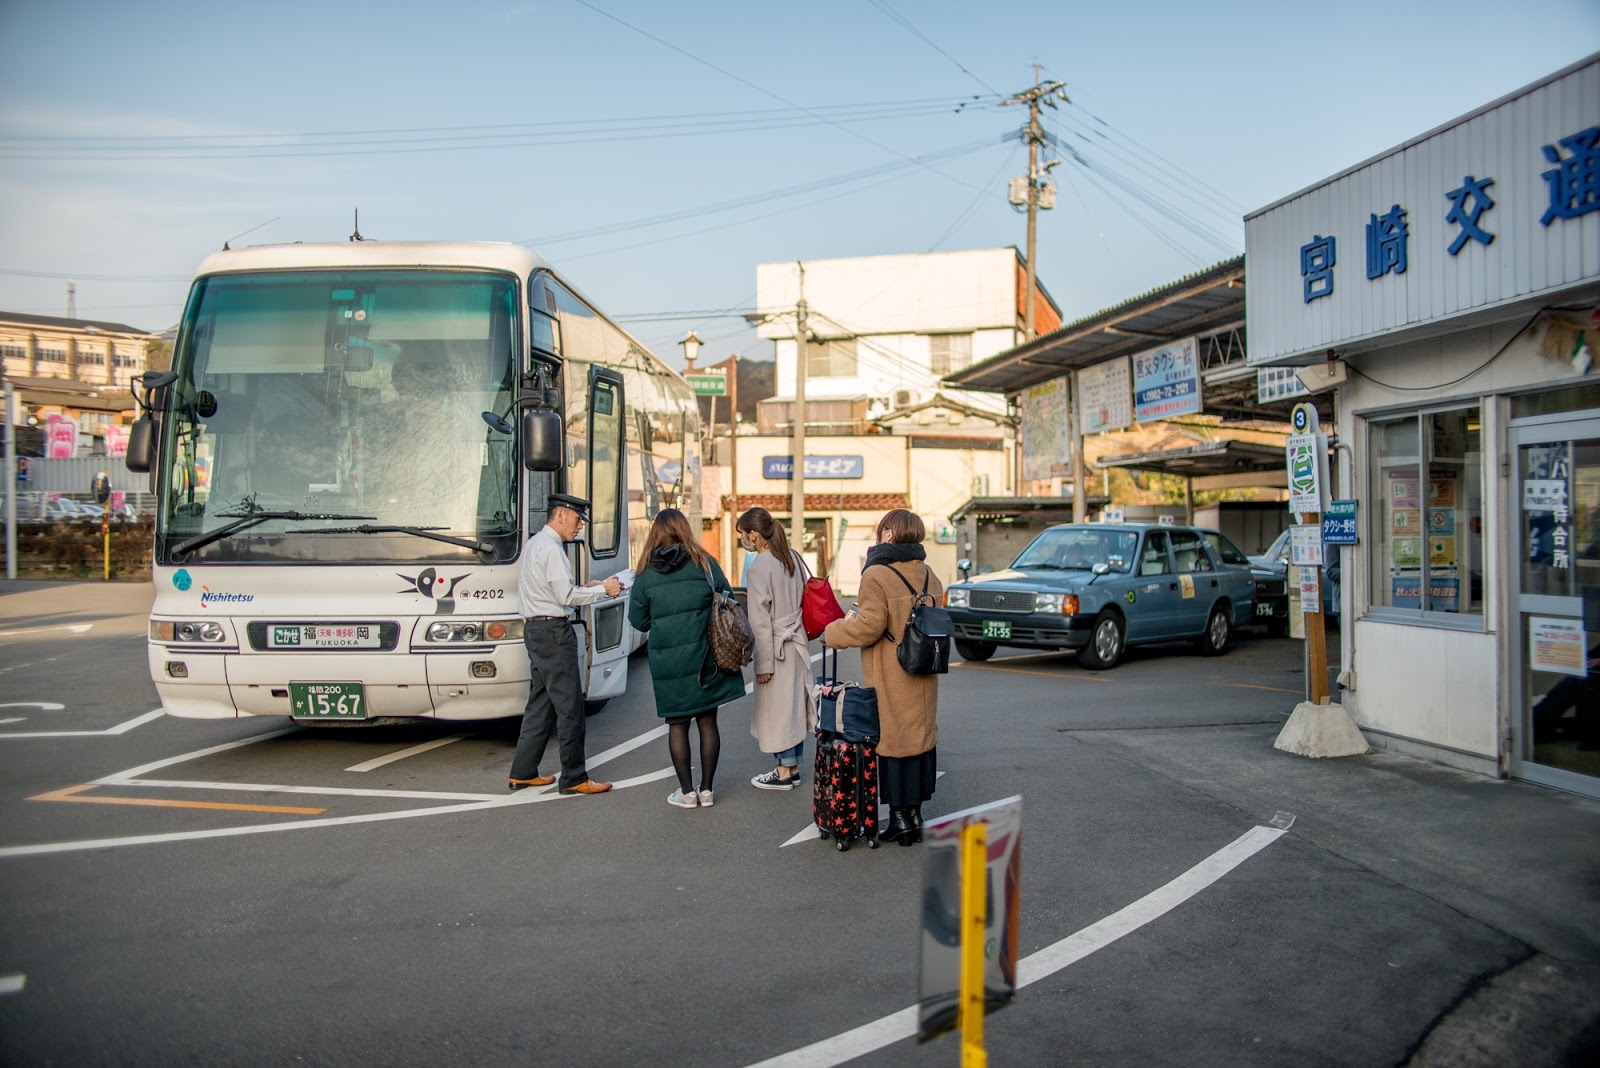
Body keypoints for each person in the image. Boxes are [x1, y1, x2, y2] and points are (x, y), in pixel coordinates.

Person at [822, 508, 943, 846]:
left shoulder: (876, 574)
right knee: (920, 740)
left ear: (888, 533)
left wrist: (832, 632)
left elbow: (869, 626)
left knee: (893, 742)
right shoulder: (929, 572)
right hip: (924, 670)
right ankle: (915, 816)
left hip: (892, 672)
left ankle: (900, 820)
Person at [628, 508, 747, 809]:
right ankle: (707, 790)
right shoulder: (704, 563)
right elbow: (727, 597)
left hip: (669, 664)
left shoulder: (644, 573)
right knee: (708, 722)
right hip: (706, 656)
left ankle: (686, 792)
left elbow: (638, 621)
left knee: (677, 725)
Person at [507, 493, 622, 796]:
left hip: (535, 630)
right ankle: (574, 777)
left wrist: (588, 587)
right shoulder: (553, 550)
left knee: (540, 705)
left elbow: (554, 591)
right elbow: (565, 598)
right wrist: (603, 592)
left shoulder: (534, 545)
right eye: (576, 519)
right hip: (554, 633)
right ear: (560, 515)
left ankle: (522, 772)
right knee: (570, 707)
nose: (579, 526)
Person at [737, 506, 812, 791]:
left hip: (776, 646)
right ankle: (791, 768)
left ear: (754, 535)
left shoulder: (759, 566)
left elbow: (759, 620)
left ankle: (783, 772)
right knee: (793, 707)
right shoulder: (791, 556)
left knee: (777, 712)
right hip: (797, 642)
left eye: (744, 535)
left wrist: (763, 664)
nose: (743, 540)